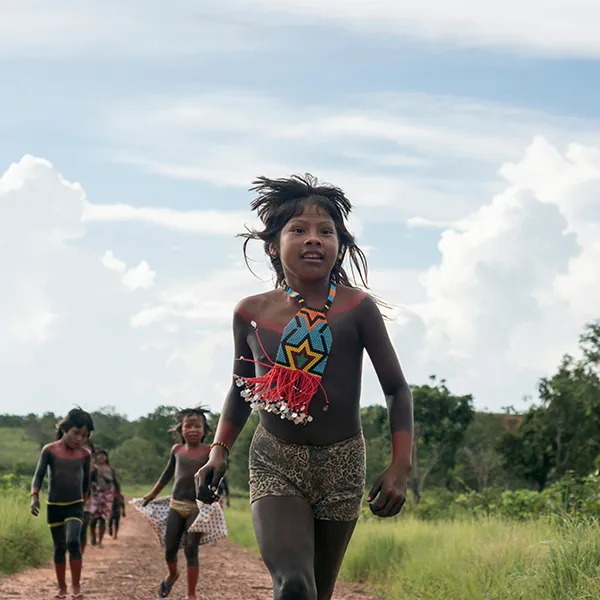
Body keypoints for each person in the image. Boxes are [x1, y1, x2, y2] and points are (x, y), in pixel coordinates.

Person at [196, 174, 414, 600]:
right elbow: (242, 389)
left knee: (319, 591)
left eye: (325, 231)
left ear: (340, 246)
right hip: (276, 460)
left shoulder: (357, 309)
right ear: (274, 246)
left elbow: (396, 390)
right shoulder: (250, 312)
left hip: (343, 463)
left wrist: (400, 466)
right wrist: (218, 451)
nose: (313, 239)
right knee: (294, 584)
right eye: (299, 229)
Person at [142, 407, 212, 600]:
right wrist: (152, 494)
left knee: (191, 548)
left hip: (197, 508)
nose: (193, 430)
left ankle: (191, 595)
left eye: (197, 426)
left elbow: (216, 476)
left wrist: (215, 495)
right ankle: (172, 574)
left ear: (205, 430)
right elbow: (167, 474)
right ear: (180, 430)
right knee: (170, 548)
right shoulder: (177, 450)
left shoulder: (209, 451)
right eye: (188, 426)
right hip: (176, 506)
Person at [30, 408, 94, 600]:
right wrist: (34, 496)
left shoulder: (85, 454)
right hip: (54, 505)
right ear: (65, 429)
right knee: (59, 546)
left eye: (84, 435)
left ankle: (76, 585)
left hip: (75, 504)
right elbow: (39, 475)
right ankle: (62, 587)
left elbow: (85, 482)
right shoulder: (49, 450)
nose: (79, 439)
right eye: (76, 433)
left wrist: (84, 503)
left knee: (73, 541)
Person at [90, 449, 119, 548]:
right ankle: (93, 536)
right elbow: (89, 480)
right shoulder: (93, 468)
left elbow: (115, 482)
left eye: (103, 455)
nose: (101, 457)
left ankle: (100, 541)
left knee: (103, 518)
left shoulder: (111, 469)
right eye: (99, 455)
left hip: (107, 496)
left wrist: (118, 496)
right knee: (93, 518)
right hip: (95, 495)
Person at [80, 438, 96, 555]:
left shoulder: (93, 469)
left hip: (87, 500)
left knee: (83, 527)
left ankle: (79, 555)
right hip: (69, 498)